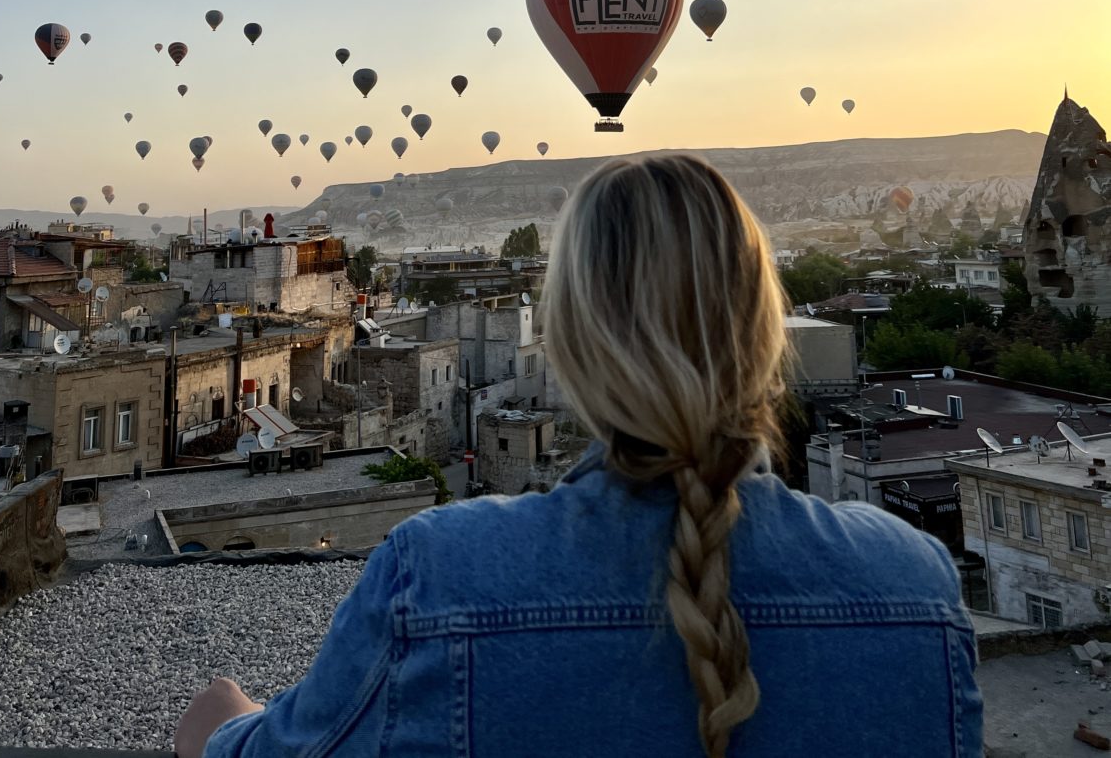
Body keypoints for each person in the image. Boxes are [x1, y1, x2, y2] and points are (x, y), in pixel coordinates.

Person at [176, 153, 982, 758]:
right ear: (767, 335)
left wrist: (220, 728)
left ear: (569, 343)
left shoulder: (440, 575)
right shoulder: (914, 586)